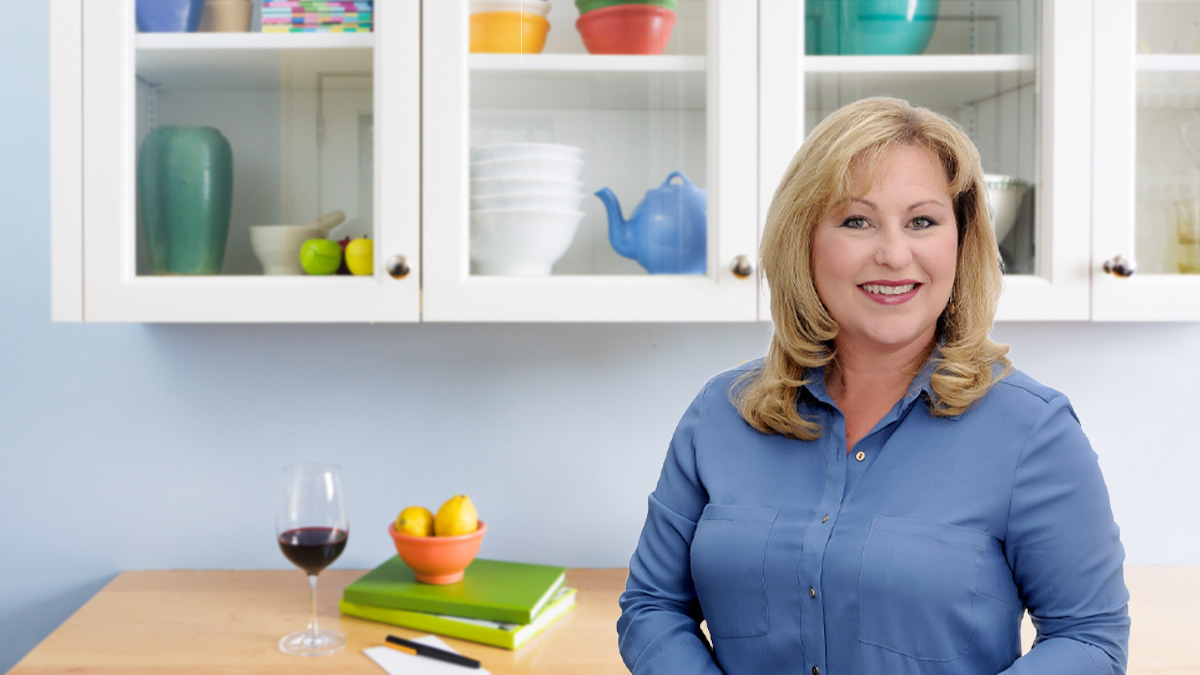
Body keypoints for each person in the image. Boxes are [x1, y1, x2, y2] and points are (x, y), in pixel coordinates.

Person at [616, 96, 1129, 674]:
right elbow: (652, 607)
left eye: (923, 222)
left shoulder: (1033, 432)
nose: (893, 253)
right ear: (804, 240)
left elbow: (1089, 639)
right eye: (856, 220)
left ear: (959, 243)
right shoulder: (721, 413)